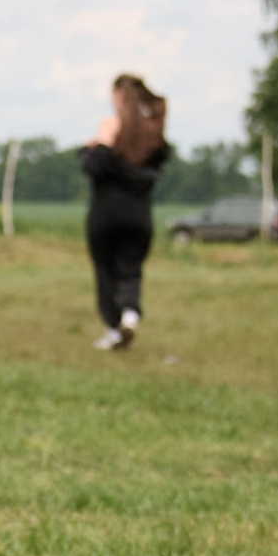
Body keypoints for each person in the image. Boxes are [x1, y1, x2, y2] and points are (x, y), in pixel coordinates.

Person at [79, 76, 171, 351]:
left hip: (106, 215)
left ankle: (112, 327)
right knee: (131, 268)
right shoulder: (152, 136)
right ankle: (130, 313)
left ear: (118, 95)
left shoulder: (110, 128)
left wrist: (101, 144)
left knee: (105, 270)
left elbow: (92, 168)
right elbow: (161, 159)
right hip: (139, 215)